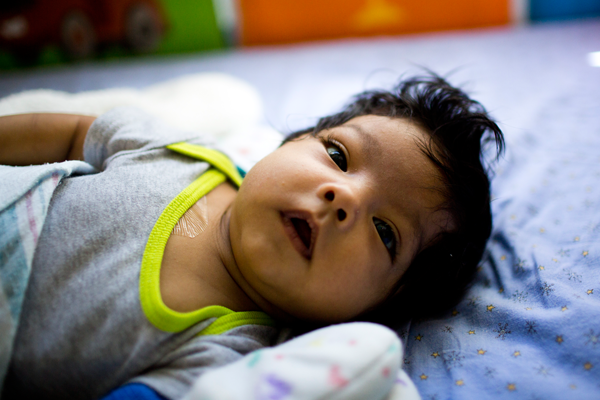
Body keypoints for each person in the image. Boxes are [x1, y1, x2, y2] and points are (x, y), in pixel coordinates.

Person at [0, 74, 504, 399]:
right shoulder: (182, 152)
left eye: (385, 233)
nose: (344, 197)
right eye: (338, 156)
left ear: (374, 308)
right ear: (287, 144)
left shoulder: (228, 354)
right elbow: (69, 133)